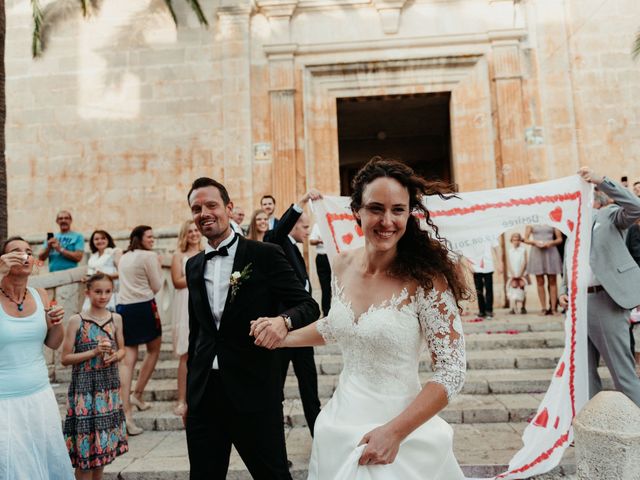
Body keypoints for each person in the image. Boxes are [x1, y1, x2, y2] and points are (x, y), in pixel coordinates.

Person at [252, 157, 470, 479]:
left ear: (410, 213)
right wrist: (281, 335)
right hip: (339, 424)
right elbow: (337, 325)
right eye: (376, 208)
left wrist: (394, 432)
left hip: (401, 431)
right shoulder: (340, 265)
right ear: (357, 210)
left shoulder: (427, 278)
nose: (387, 220)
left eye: (398, 209)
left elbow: (451, 371)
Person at [184, 177, 319, 479]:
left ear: (229, 208)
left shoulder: (264, 254)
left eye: (211, 205)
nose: (204, 212)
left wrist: (282, 322)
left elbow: (309, 306)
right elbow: (198, 333)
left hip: (254, 391)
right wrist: (188, 398)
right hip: (204, 396)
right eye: (196, 208)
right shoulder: (193, 265)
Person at [560, 168, 640, 407]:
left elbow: (636, 207)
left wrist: (601, 180)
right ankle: (593, 429)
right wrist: (564, 291)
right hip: (577, 305)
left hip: (605, 301)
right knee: (583, 373)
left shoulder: (610, 215)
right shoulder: (572, 228)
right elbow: (570, 263)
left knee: (622, 374)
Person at [0, 236, 74, 479]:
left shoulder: (40, 294)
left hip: (40, 398)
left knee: (45, 465)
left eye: (29, 251)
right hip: (5, 402)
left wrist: (56, 323)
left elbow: (53, 343)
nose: (25, 255)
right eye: (16, 251)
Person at [265, 190, 323, 436]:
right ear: (293, 226)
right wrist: (300, 204)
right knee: (275, 391)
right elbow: (278, 230)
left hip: (303, 330)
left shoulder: (296, 248)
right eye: (305, 226)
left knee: (310, 388)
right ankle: (275, 447)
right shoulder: (277, 239)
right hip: (282, 330)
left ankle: (319, 439)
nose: (308, 231)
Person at [62, 273, 128, 479]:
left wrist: (115, 356)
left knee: (102, 452)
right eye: (98, 291)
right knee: (84, 454)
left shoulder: (116, 318)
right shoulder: (77, 321)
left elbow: (123, 349)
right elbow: (65, 358)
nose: (103, 296)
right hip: (84, 391)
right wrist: (93, 352)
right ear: (87, 292)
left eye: (108, 291)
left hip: (108, 390)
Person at [116, 226, 164, 435]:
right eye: (150, 236)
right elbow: (157, 285)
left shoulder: (124, 256)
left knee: (127, 360)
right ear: (140, 238)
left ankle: (126, 412)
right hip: (144, 306)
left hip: (124, 308)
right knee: (154, 349)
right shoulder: (149, 256)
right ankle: (138, 393)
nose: (153, 239)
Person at [170, 220, 203, 417]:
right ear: (185, 234)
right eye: (189, 231)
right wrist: (198, 274)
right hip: (185, 305)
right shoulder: (179, 256)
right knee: (186, 353)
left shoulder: (208, 251)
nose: (193, 234)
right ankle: (182, 400)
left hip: (203, 303)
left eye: (196, 230)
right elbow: (176, 281)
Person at [524, 224, 563, 314]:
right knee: (540, 281)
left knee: (553, 280)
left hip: (551, 251)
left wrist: (551, 243)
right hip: (537, 252)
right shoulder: (531, 221)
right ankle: (543, 308)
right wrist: (535, 242)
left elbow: (559, 239)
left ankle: (553, 308)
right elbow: (525, 239)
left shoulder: (552, 220)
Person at [81, 230, 121, 312]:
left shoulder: (115, 252)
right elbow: (93, 274)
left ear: (108, 240)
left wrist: (105, 276)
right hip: (94, 292)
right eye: (96, 239)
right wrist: (87, 278)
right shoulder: (93, 256)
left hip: (109, 293)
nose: (100, 241)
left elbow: (122, 272)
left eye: (103, 238)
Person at [471, 240, 501, 320]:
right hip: (476, 267)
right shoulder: (472, 234)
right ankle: (481, 311)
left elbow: (497, 248)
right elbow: (468, 251)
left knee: (489, 289)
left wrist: (500, 263)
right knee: (479, 290)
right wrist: (469, 265)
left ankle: (489, 311)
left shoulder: (489, 233)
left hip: (488, 266)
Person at [310, 223, 332, 317]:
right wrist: (319, 241)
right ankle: (326, 313)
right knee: (325, 287)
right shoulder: (317, 225)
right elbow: (311, 241)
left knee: (336, 287)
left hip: (334, 257)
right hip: (322, 257)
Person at [507, 232, 528, 314]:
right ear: (511, 241)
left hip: (521, 273)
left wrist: (520, 273)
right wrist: (512, 273)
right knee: (513, 289)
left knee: (522, 288)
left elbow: (525, 262)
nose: (516, 241)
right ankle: (513, 307)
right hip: (513, 273)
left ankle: (523, 307)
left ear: (520, 240)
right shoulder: (510, 251)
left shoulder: (523, 250)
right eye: (514, 240)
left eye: (517, 240)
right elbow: (509, 262)